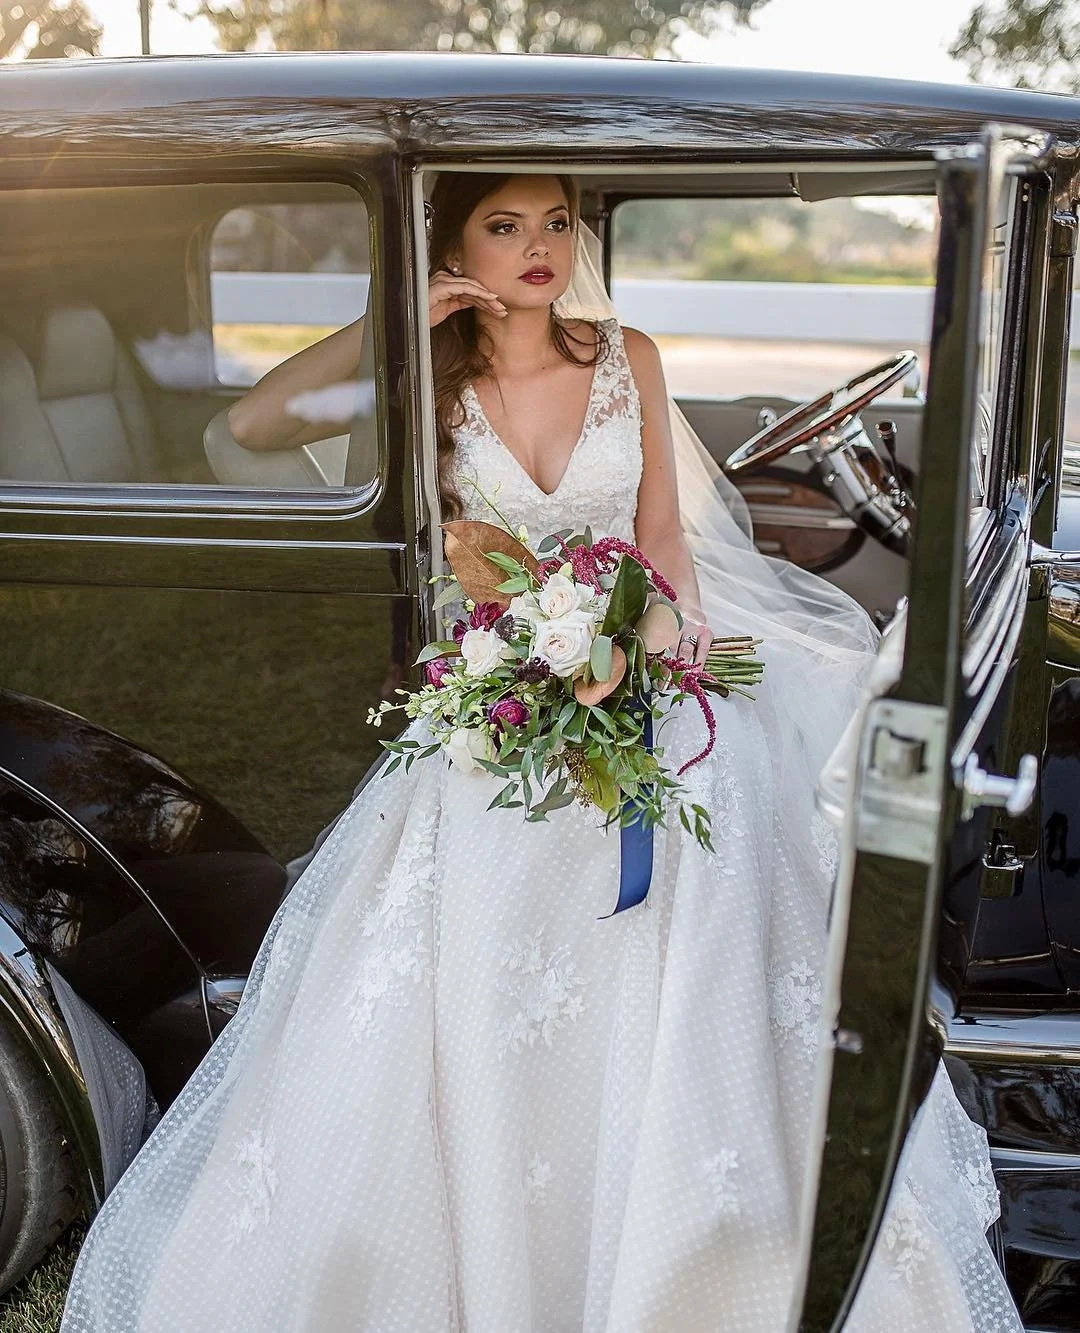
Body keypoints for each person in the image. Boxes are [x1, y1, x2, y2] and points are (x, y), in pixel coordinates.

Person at [59, 172, 1023, 1332]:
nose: (539, 249)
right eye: (504, 227)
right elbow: (253, 426)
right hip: (506, 683)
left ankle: (696, 1218)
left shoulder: (632, 356)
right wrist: (394, 321)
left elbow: (661, 541)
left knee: (714, 808)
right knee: (475, 860)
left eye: (556, 224)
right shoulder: (432, 379)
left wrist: (656, 643)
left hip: (640, 659)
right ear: (454, 244)